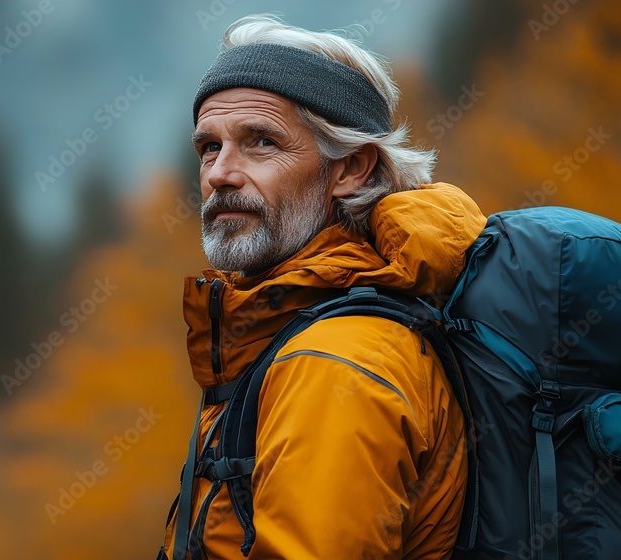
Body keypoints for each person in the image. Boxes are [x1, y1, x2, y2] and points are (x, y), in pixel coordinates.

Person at [161, 14, 486, 559]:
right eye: (209, 147)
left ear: (352, 168)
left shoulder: (337, 361)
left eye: (261, 142)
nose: (220, 173)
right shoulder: (292, 336)